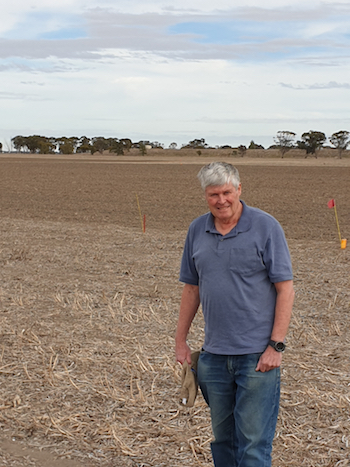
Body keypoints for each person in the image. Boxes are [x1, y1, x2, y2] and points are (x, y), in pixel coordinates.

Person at [175, 162, 294, 467]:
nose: (221, 200)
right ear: (205, 195)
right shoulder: (196, 230)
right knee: (223, 441)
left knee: (253, 443)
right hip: (214, 358)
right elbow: (192, 289)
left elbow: (285, 289)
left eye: (227, 192)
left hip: (257, 358)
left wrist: (276, 346)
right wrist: (181, 341)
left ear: (239, 189)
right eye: (214, 194)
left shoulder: (266, 227)